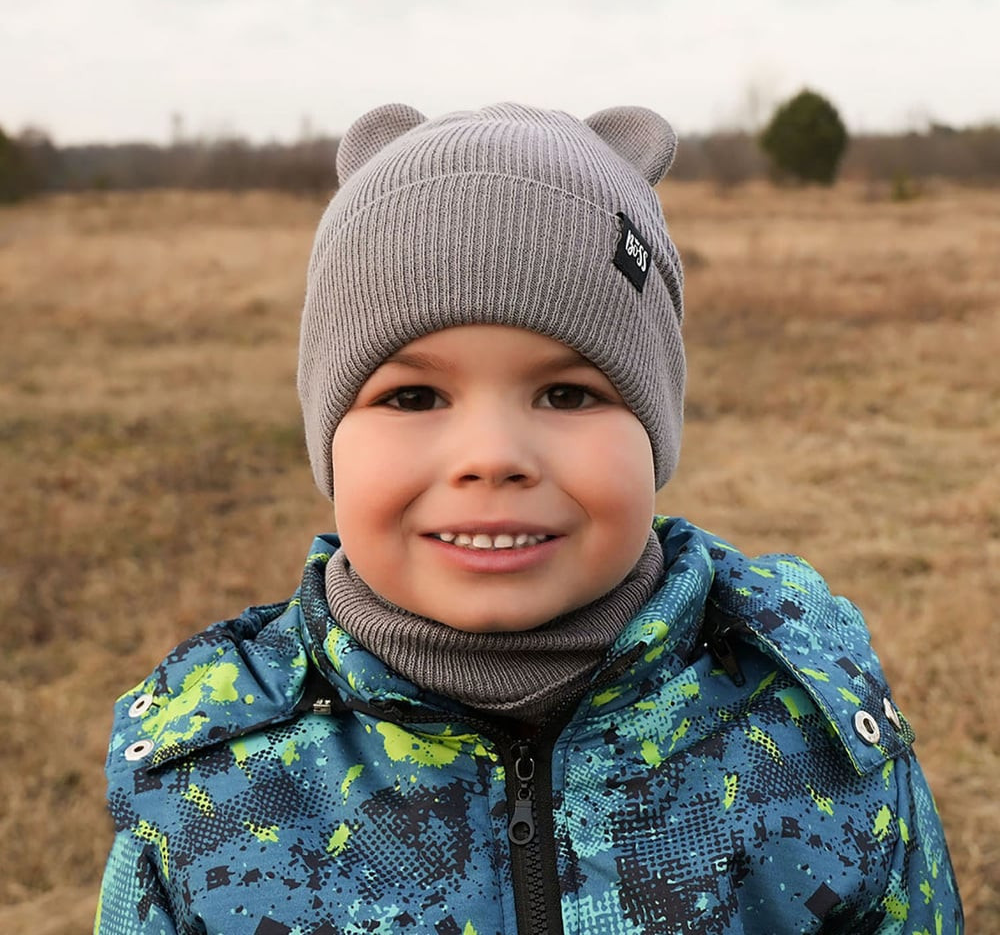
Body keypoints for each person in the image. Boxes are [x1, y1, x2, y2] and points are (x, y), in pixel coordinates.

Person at [95, 103, 962, 935]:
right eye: (414, 395)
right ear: (330, 442)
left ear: (655, 433)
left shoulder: (812, 721)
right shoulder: (206, 785)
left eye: (566, 393)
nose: (493, 454)